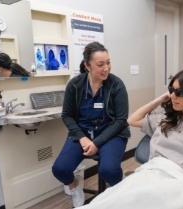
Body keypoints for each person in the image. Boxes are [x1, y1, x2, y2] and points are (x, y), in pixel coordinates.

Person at [73, 68, 183, 209]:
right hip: (152, 175)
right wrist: (159, 100)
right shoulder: (165, 119)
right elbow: (132, 120)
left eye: (179, 92)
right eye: (171, 90)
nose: (173, 96)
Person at [52, 42, 130, 208]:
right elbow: (67, 115)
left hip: (112, 134)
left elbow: (121, 120)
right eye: (100, 64)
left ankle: (117, 194)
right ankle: (75, 187)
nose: (106, 68)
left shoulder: (116, 85)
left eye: (108, 62)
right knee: (60, 169)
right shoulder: (75, 85)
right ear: (87, 66)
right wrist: (82, 138)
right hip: (82, 134)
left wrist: (97, 142)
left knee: (109, 170)